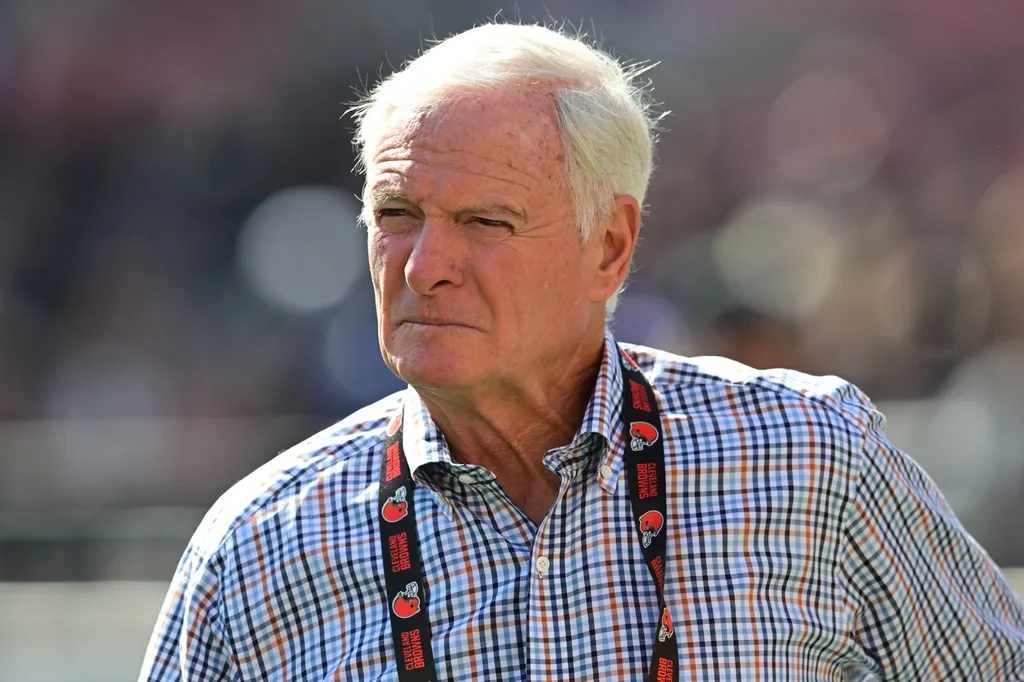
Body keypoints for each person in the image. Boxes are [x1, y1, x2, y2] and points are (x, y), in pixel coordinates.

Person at [140, 22, 1024, 681]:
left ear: (611, 248)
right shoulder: (258, 550)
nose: (423, 265)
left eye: (485, 222)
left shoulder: (810, 459)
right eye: (397, 215)